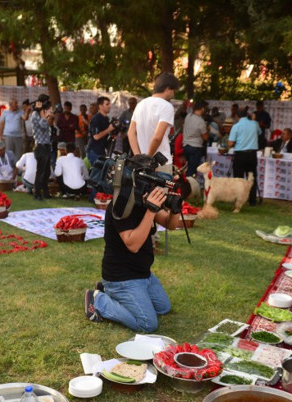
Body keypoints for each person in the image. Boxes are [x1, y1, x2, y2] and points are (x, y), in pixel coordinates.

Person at [85, 185, 180, 332]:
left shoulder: (142, 201)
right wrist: (151, 211)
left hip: (143, 274)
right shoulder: (120, 205)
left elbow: (170, 224)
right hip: (122, 278)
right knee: (147, 324)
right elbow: (133, 245)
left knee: (163, 308)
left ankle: (108, 291)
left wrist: (175, 208)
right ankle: (98, 300)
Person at [128, 72, 180, 168]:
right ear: (168, 89)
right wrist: (149, 158)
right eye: (173, 91)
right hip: (161, 163)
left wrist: (138, 156)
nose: (173, 94)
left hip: (141, 164)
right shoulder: (167, 107)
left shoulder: (140, 104)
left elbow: (131, 132)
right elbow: (157, 137)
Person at [227, 109, 261, 205]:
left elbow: (230, 143)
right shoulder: (254, 124)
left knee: (238, 178)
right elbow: (259, 132)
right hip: (252, 154)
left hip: (240, 154)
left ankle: (238, 199)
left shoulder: (236, 126)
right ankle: (252, 200)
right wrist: (253, 119)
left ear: (237, 116)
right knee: (251, 177)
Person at [31, 99, 54, 201]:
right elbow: (43, 125)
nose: (49, 108)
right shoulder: (35, 114)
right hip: (40, 146)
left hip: (47, 145)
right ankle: (37, 193)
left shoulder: (43, 114)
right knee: (40, 172)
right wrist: (45, 115)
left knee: (47, 172)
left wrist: (48, 115)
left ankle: (45, 192)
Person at [182, 100, 208, 177]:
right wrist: (207, 130)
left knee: (187, 168)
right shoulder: (200, 121)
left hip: (186, 146)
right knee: (192, 170)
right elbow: (205, 137)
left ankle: (186, 184)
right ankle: (189, 186)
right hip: (195, 147)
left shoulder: (188, 116)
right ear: (202, 109)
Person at [86, 96, 115, 167]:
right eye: (107, 104)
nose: (109, 106)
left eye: (109, 104)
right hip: (94, 151)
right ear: (100, 106)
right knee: (97, 175)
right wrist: (109, 129)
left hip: (102, 151)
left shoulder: (106, 119)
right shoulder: (96, 119)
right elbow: (96, 136)